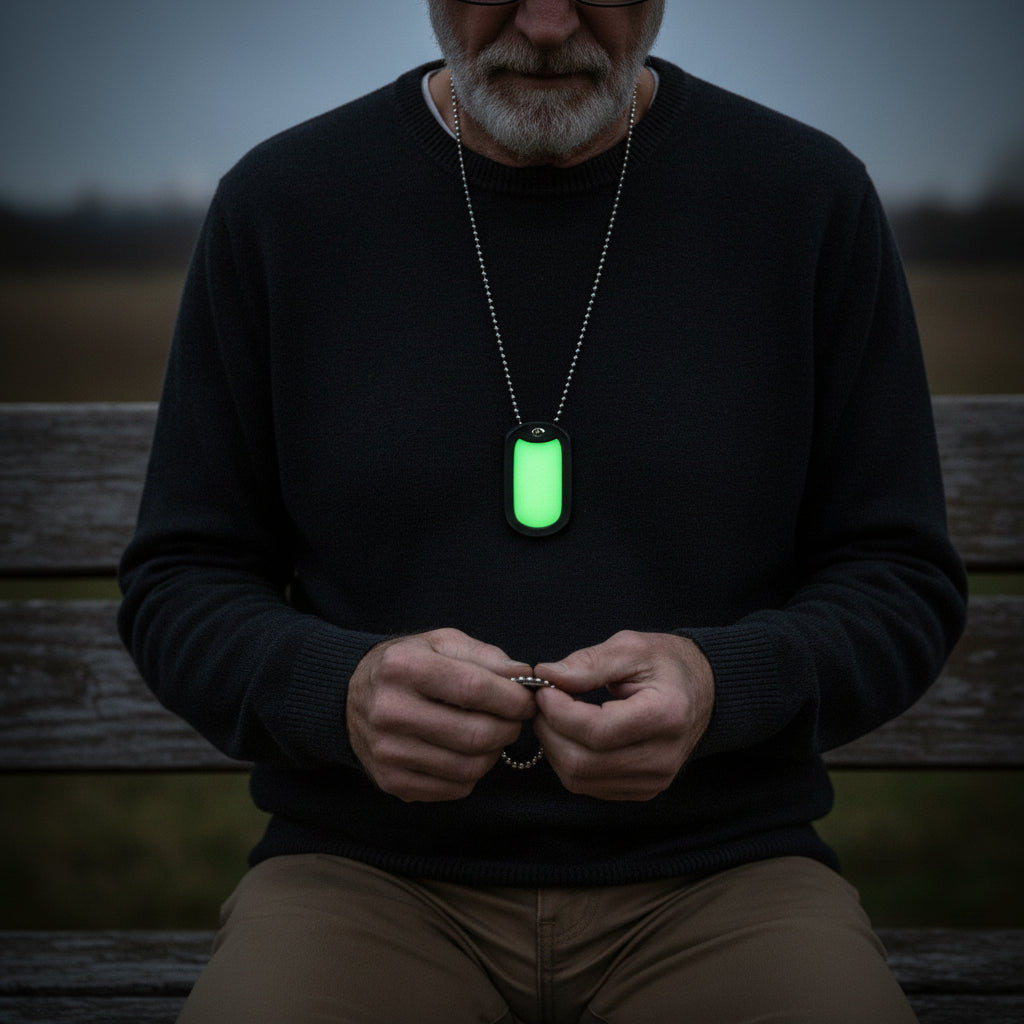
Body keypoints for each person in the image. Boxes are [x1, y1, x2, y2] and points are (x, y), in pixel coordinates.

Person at [118, 1, 967, 1021]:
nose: (552, 23)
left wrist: (719, 687)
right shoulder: (283, 204)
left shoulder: (803, 197)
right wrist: (336, 690)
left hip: (726, 880)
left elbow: (900, 576)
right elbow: (180, 578)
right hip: (360, 879)